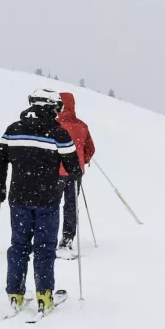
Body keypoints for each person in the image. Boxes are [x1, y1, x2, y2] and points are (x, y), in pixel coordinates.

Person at [0, 89, 82, 315]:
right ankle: (44, 295)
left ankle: (15, 294)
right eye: (56, 108)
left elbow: (0, 161)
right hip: (47, 200)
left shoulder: (12, 130)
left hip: (19, 199)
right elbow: (73, 168)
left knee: (19, 246)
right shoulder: (58, 133)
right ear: (49, 107)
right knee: (44, 248)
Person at [56, 92, 95, 255]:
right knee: (71, 205)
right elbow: (90, 149)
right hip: (75, 172)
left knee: (51, 205)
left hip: (55, 171)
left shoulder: (54, 124)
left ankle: (48, 235)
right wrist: (82, 161)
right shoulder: (82, 125)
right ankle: (67, 237)